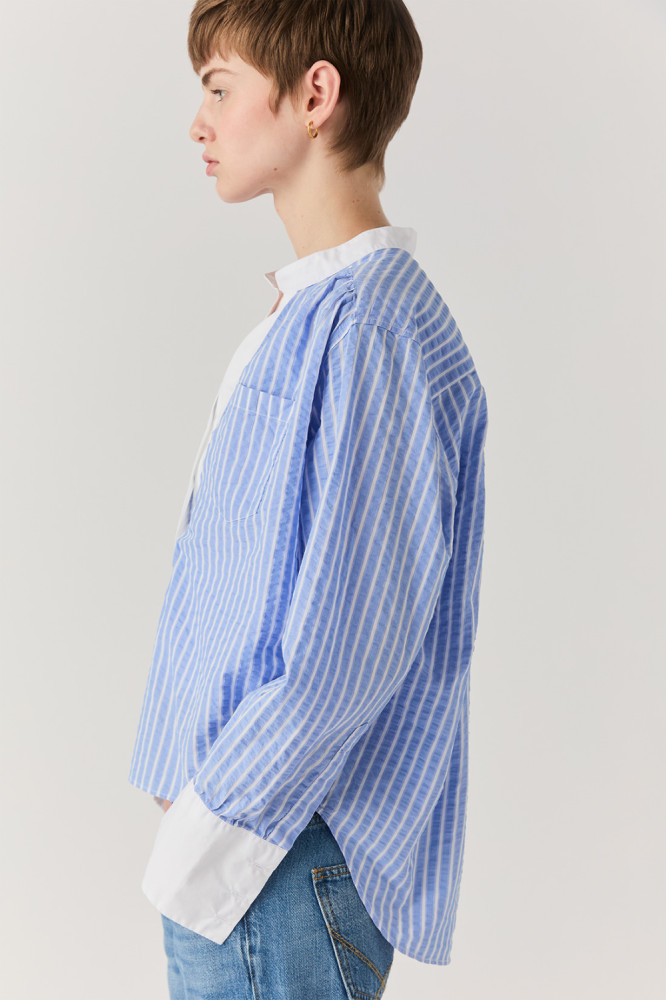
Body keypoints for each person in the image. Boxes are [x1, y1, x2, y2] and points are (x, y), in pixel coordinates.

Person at [128, 1, 489, 997]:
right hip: (259, 859)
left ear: (316, 94)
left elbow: (347, 649)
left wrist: (212, 825)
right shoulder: (321, 315)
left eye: (219, 88)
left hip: (273, 861)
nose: (198, 122)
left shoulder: (370, 330)